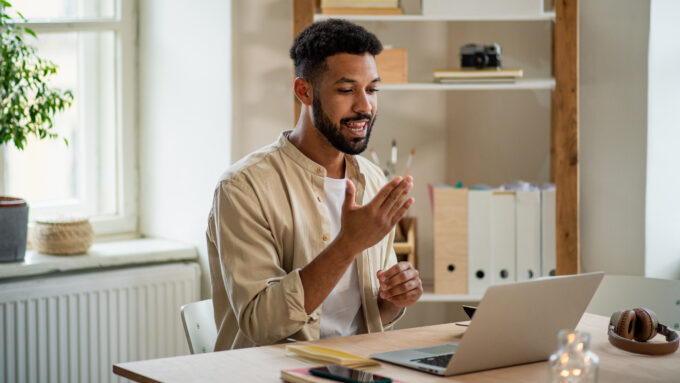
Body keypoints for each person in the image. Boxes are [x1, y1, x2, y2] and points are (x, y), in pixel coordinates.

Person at [206, 19, 423, 351]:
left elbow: (371, 310)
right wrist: (347, 245)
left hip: (360, 366)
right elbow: (261, 325)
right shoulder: (243, 188)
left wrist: (397, 295)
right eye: (346, 90)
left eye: (372, 89)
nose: (365, 106)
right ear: (303, 92)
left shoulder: (372, 179)